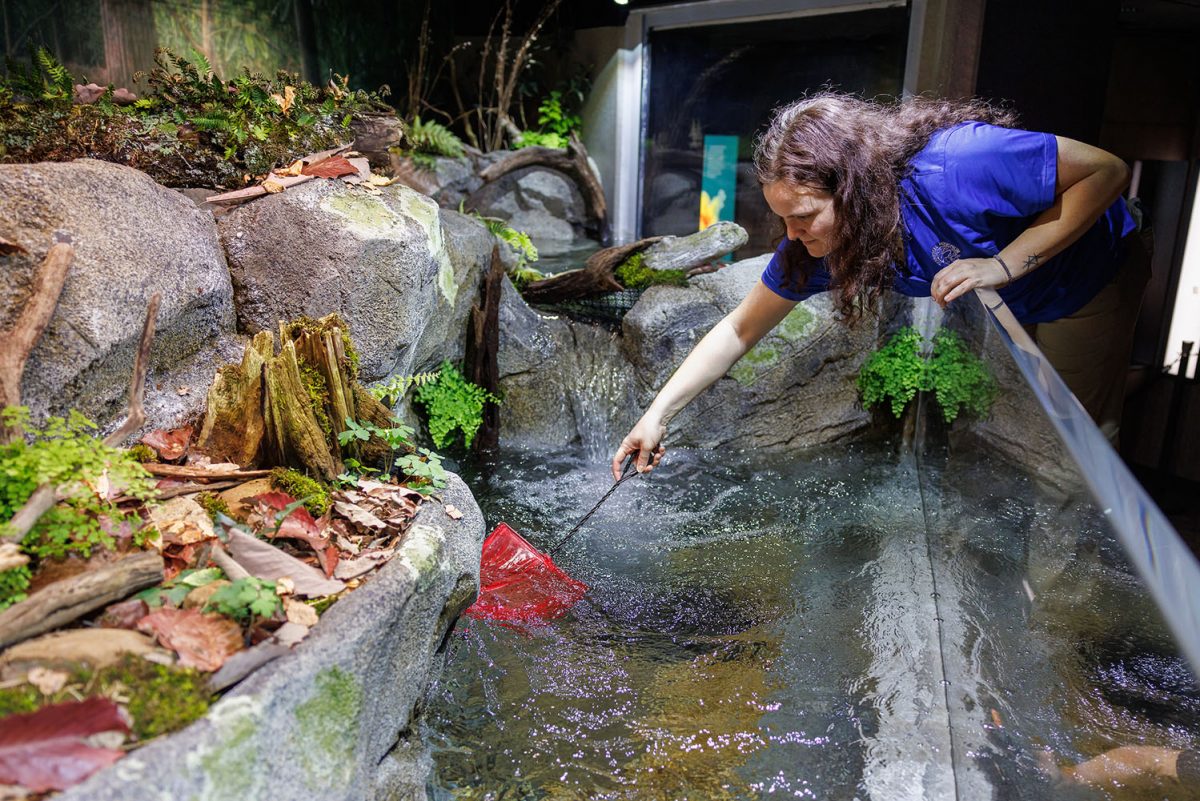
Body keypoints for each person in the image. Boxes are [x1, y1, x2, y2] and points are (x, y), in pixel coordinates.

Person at [612, 93, 1149, 480]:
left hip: (1086, 282)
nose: (792, 236)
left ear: (852, 189)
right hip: (1004, 301)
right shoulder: (820, 246)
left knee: (1075, 450)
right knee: (1026, 434)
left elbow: (1106, 171)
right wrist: (655, 417)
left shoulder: (958, 162)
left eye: (803, 216)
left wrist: (1005, 265)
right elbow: (737, 329)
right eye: (784, 220)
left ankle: (1065, 617)